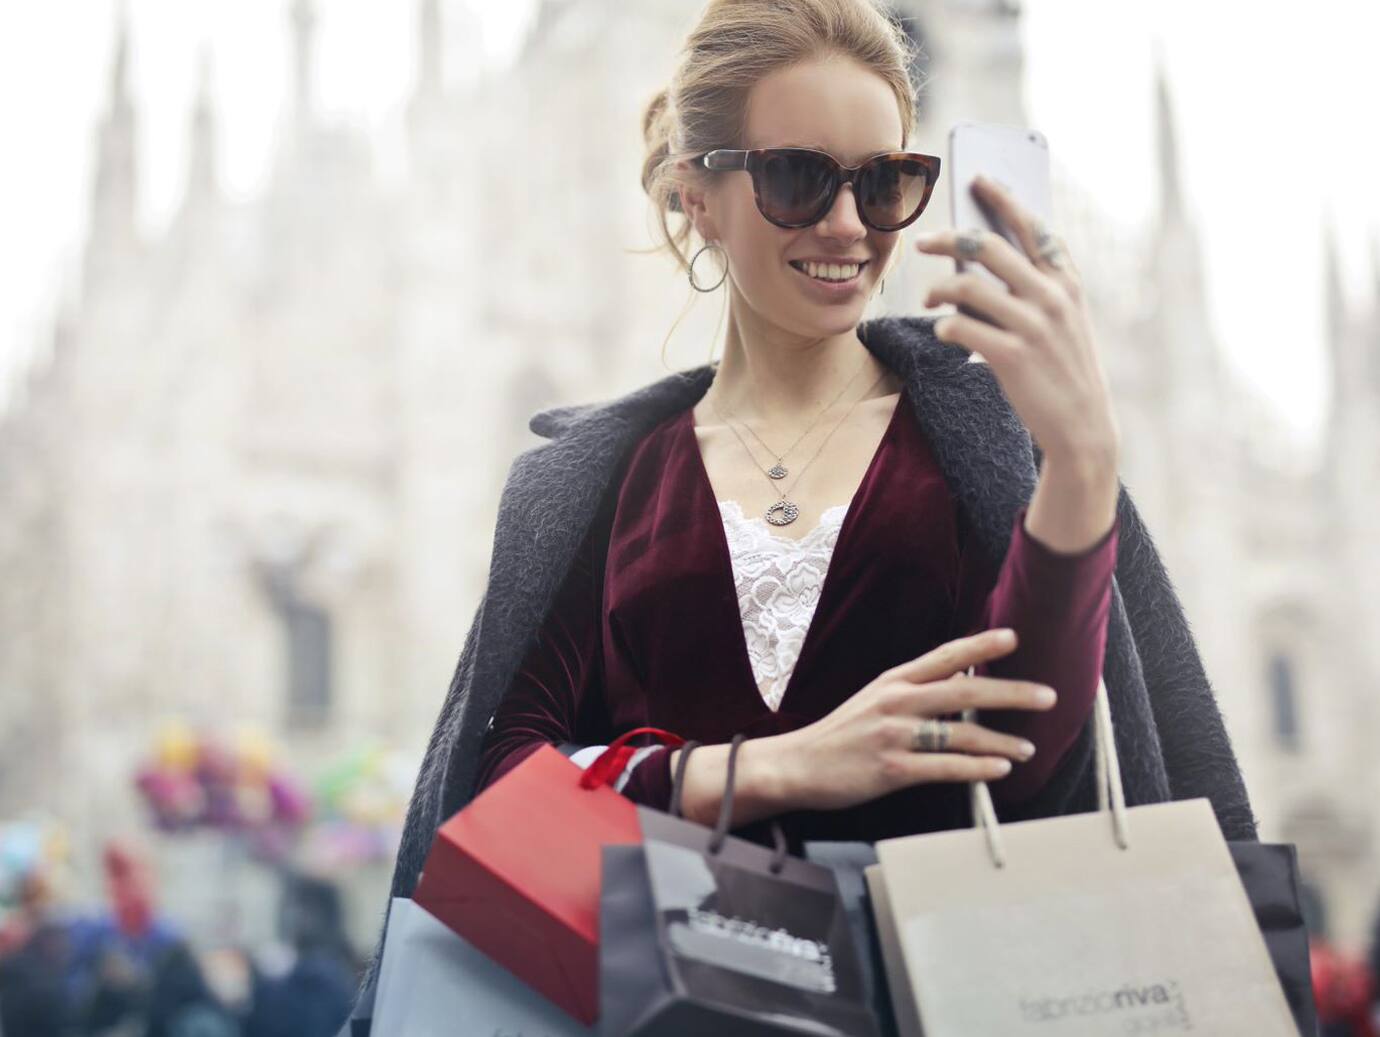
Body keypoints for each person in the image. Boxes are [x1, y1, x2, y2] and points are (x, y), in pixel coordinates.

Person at [341, 0, 1257, 1028]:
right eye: (796, 179)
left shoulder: (978, 442)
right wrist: (776, 766)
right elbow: (503, 787)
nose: (849, 226)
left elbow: (1032, 753)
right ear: (698, 196)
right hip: (663, 999)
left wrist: (1083, 461)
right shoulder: (606, 476)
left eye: (885, 183)